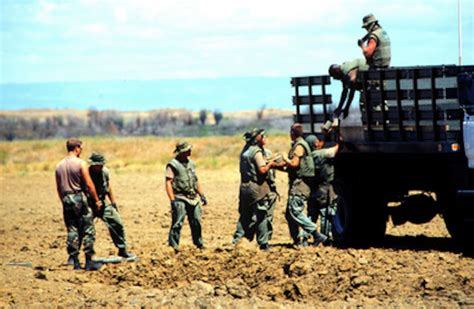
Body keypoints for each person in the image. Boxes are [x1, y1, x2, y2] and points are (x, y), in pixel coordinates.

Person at [55, 138, 103, 271]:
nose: (81, 150)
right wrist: (96, 200)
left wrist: (64, 200)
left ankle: (75, 261)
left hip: (66, 198)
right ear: (76, 148)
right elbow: (88, 184)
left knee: (72, 229)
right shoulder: (80, 164)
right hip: (79, 197)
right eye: (81, 148)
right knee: (88, 229)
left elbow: (59, 188)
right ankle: (89, 261)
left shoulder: (59, 166)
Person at [232, 128, 281, 251]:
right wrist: (271, 164)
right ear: (258, 138)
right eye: (263, 136)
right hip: (256, 188)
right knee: (261, 215)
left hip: (244, 187)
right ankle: (263, 243)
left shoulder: (245, 150)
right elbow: (262, 170)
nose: (265, 138)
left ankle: (238, 241)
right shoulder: (257, 152)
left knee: (245, 215)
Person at [283, 123, 328, 247]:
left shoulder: (299, 146)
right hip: (299, 184)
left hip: (299, 185)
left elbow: (294, 164)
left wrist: (285, 160)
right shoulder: (302, 144)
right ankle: (298, 240)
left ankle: (316, 234)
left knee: (295, 212)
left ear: (292, 133)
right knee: (289, 214)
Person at [88, 152, 136, 259]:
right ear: (92, 164)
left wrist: (113, 202)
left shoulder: (105, 172)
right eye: (98, 165)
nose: (100, 167)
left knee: (117, 222)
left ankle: (122, 250)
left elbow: (108, 187)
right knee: (86, 230)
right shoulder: (85, 173)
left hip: (103, 203)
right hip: (89, 205)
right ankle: (81, 255)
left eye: (101, 165)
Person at [165, 141, 207, 251]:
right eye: (188, 150)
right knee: (177, 223)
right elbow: (168, 182)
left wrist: (201, 194)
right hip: (180, 197)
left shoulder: (191, 164)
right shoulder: (173, 164)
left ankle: (199, 243)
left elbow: (195, 180)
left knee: (196, 221)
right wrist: (172, 200)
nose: (190, 152)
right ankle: (173, 245)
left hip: (193, 198)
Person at [305, 132, 342, 244]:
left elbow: (321, 146)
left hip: (313, 189)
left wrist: (325, 137)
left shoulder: (309, 156)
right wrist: (339, 142)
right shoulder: (320, 154)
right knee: (325, 214)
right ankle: (324, 237)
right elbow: (334, 150)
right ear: (315, 144)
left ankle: (305, 237)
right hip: (324, 190)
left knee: (311, 215)